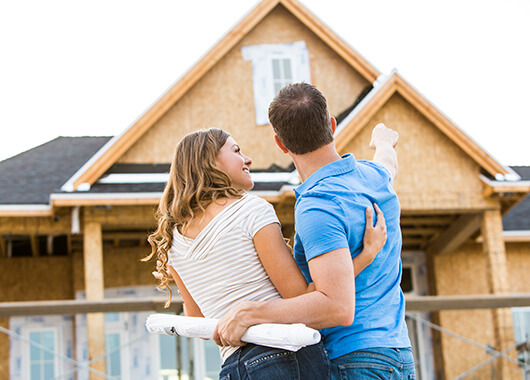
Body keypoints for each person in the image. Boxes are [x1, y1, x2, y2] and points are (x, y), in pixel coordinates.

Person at [145, 128, 388, 379]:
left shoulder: (173, 240)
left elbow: (200, 323)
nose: (247, 159)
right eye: (236, 151)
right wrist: (366, 255)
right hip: (284, 357)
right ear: (211, 162)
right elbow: (304, 296)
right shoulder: (250, 210)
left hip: (233, 367)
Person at [213, 83, 415, 380]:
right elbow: (388, 163)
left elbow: (337, 308)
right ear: (331, 126)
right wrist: (383, 141)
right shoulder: (375, 177)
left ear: (280, 144)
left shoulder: (318, 206)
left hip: (352, 360)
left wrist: (251, 313)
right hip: (398, 356)